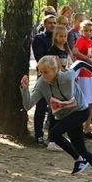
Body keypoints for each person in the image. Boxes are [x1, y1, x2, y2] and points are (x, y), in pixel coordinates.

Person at [22, 56, 92, 182]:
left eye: (46, 72)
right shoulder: (41, 83)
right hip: (66, 115)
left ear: (55, 69)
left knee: (54, 133)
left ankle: (78, 160)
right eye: (40, 72)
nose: (43, 75)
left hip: (80, 111)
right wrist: (24, 89)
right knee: (81, 149)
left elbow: (79, 64)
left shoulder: (67, 76)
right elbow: (27, 105)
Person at [30, 13, 58, 145]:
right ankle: (38, 134)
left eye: (54, 23)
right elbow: (40, 57)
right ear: (45, 24)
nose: (52, 25)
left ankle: (53, 136)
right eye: (50, 23)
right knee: (41, 106)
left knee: (55, 108)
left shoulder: (58, 37)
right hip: (43, 76)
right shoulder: (39, 39)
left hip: (56, 77)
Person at [72, 20, 92, 138]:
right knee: (84, 101)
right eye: (86, 30)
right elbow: (75, 52)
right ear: (81, 31)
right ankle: (79, 127)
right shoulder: (80, 40)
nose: (88, 33)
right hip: (83, 74)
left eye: (90, 30)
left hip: (91, 73)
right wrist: (86, 60)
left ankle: (87, 127)